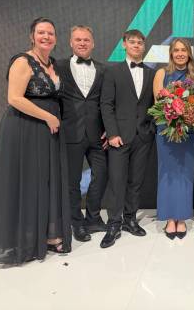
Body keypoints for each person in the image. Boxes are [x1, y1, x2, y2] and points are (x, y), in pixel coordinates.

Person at [0, 17, 71, 264]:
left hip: (46, 131)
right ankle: (24, 239)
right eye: (41, 32)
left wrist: (52, 120)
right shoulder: (22, 61)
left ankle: (46, 235)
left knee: (44, 181)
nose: (46, 37)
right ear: (32, 36)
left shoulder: (53, 64)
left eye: (51, 33)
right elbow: (14, 98)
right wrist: (48, 117)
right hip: (24, 128)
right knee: (27, 180)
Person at [100, 29, 156, 248]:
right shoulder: (112, 72)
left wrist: (150, 128)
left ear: (144, 46)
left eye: (140, 42)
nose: (136, 45)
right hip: (119, 138)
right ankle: (114, 222)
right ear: (124, 44)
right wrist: (112, 133)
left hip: (143, 137)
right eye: (132, 42)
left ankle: (130, 219)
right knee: (117, 181)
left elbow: (155, 105)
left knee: (135, 181)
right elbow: (106, 104)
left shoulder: (152, 74)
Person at [57, 25, 107, 242]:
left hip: (97, 134)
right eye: (78, 39)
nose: (82, 43)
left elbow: (107, 103)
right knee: (72, 182)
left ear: (93, 43)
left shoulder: (104, 69)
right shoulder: (58, 66)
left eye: (86, 40)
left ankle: (94, 218)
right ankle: (76, 223)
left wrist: (109, 129)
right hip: (71, 133)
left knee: (102, 175)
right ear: (71, 42)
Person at [153, 38, 194, 239]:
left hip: (188, 131)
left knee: (184, 174)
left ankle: (181, 218)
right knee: (167, 173)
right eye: (176, 50)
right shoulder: (161, 73)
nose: (180, 53)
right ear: (171, 53)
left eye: (184, 50)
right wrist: (172, 112)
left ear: (189, 53)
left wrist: (185, 115)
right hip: (166, 130)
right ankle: (168, 218)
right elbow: (158, 100)